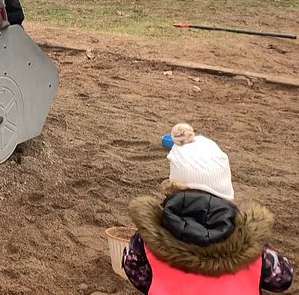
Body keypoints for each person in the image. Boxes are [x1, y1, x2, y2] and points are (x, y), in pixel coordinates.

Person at [123, 123, 294, 295]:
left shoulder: (150, 236)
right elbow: (282, 279)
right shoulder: (251, 241)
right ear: (225, 190)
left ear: (173, 186)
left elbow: (134, 270)